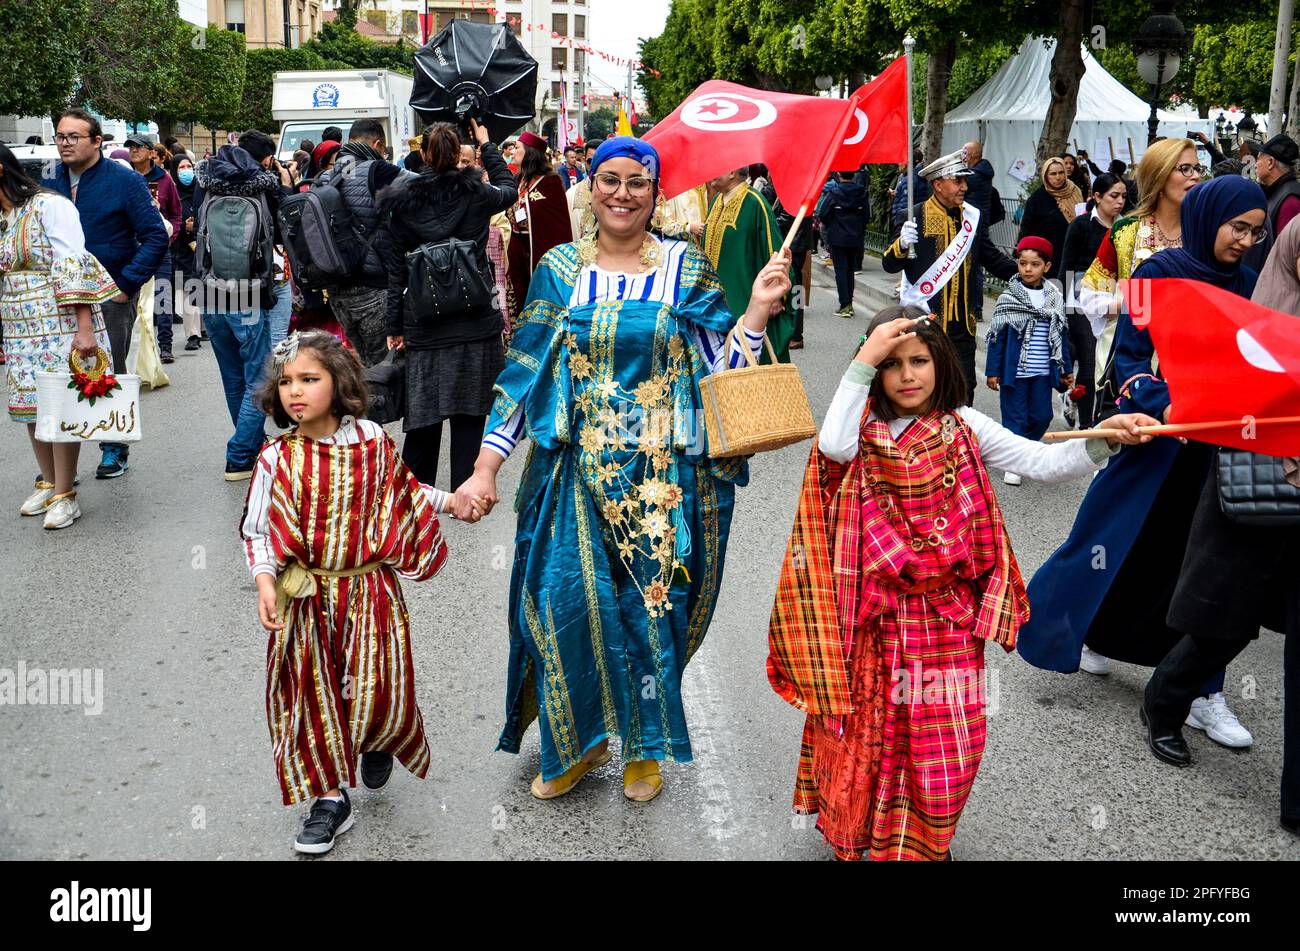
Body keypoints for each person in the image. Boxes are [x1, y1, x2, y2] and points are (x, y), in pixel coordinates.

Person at [454, 136, 792, 803]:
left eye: (638, 182)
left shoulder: (684, 267)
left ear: (656, 191)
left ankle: (643, 746)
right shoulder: (559, 269)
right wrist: (486, 467)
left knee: (647, 615)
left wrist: (753, 312)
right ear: (593, 185)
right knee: (565, 607)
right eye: (610, 179)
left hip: (660, 480)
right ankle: (576, 743)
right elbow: (525, 377)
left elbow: (719, 373)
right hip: (571, 471)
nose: (622, 194)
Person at [767, 307, 1154, 861]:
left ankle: (925, 842)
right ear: (872, 371)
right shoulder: (858, 430)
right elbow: (831, 447)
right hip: (873, 622)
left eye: (919, 360)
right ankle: (867, 839)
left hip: (947, 620)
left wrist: (1108, 441)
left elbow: (1040, 461)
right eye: (890, 364)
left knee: (946, 745)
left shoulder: (965, 424)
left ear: (940, 362)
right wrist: (863, 358)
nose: (907, 375)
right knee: (869, 738)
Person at [1018, 176, 1267, 748]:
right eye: (1239, 228)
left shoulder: (1251, 284)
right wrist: (1164, 404)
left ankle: (1203, 691)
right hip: (1155, 438)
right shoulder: (1157, 274)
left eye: (1256, 231)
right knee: (1119, 544)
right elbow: (1128, 358)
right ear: (1210, 219)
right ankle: (1087, 634)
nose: (1247, 241)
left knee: (1206, 568)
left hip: (1221, 448)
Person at [241, 330, 455, 854]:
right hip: (306, 601)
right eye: (286, 381)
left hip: (370, 596)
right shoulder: (274, 460)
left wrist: (453, 501)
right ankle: (330, 799)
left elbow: (405, 491)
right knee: (312, 695)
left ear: (340, 384)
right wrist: (265, 582)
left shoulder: (372, 443)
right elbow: (258, 530)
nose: (295, 391)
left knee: (376, 684)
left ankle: (376, 735)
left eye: (309, 379)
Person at [1142, 215, 1300, 836]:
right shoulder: (1265, 299)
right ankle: (1168, 697)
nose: (1247, 238)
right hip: (1263, 471)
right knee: (1225, 619)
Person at [379, 119, 516, 492]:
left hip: (423, 318)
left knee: (423, 409)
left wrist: (394, 326)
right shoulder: (476, 193)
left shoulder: (400, 202)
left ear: (422, 154)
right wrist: (488, 145)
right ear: (458, 154)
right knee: (472, 407)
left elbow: (397, 274)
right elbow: (508, 190)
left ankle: (415, 491)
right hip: (475, 312)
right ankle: (466, 487)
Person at [44, 109, 168, 480]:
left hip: (109, 293)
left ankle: (114, 446)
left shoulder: (123, 181)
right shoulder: (49, 177)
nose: (64, 143)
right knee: (57, 372)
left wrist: (126, 284)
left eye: (73, 137)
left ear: (97, 141)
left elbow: (155, 236)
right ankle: (61, 459)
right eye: (60, 136)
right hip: (58, 295)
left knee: (106, 369)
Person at [0, 144, 118, 529]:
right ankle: (49, 481)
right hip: (20, 327)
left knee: (60, 405)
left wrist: (85, 329)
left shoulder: (50, 206)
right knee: (31, 406)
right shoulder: (5, 217)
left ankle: (66, 495)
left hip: (61, 321)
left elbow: (73, 263)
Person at [192, 128, 293, 481]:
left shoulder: (205, 180)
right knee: (261, 374)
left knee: (233, 376)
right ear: (265, 158)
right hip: (250, 288)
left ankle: (250, 446)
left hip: (208, 287)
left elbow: (196, 229)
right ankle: (239, 454)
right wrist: (282, 182)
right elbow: (283, 232)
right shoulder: (264, 184)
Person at [883, 149, 1016, 404]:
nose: (964, 187)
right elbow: (889, 264)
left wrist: (1024, 274)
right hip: (926, 321)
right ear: (938, 184)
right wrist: (902, 244)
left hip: (962, 325)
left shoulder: (970, 216)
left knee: (965, 389)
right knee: (929, 388)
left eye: (965, 181)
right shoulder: (915, 215)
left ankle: (959, 441)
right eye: (958, 181)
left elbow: (988, 255)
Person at [1078, 138, 1202, 401]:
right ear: (1159, 174)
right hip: (1130, 367)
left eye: (1198, 169)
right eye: (1185, 169)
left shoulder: (1207, 233)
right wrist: (1126, 305)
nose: (1195, 177)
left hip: (1190, 367)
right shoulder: (1126, 232)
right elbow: (1089, 292)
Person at [324, 118, 412, 368]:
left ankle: (368, 407)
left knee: (365, 366)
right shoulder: (378, 170)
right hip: (372, 289)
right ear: (378, 144)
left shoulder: (328, 176)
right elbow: (425, 186)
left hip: (338, 291)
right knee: (386, 369)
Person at [985, 236, 1072, 485]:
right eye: (1023, 263)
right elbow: (996, 337)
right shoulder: (1009, 297)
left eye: (1034, 264)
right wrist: (993, 370)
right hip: (1015, 373)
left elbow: (1060, 336)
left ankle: (1024, 452)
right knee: (1015, 418)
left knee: (1042, 416)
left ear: (1046, 266)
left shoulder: (1053, 298)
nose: (1028, 269)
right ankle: (1014, 463)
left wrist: (1065, 368)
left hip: (1043, 372)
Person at [700, 166, 797, 362]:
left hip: (746, 304)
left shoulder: (755, 203)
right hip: (714, 305)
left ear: (731, 172)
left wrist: (777, 296)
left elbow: (776, 252)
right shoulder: (716, 201)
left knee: (749, 368)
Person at [1060, 173, 1127, 427]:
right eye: (1113, 196)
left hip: (1116, 301)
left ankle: (1100, 413)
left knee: (1109, 363)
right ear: (1097, 197)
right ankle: (1088, 427)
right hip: (1081, 301)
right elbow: (1066, 265)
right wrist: (1065, 309)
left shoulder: (1128, 226)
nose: (1119, 201)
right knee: (1088, 367)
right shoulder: (1081, 225)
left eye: (1123, 196)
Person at [125, 133, 182, 363]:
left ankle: (165, 346)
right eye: (130, 147)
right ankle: (132, 351)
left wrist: (169, 237)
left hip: (159, 248)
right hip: (131, 248)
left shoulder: (165, 180)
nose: (133, 151)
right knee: (132, 299)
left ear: (151, 152)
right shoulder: (124, 177)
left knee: (162, 297)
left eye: (138, 147)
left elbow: (176, 214)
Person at [505, 131, 571, 326]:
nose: (513, 152)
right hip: (517, 251)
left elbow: (557, 224)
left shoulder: (551, 182)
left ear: (530, 153)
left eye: (517, 148)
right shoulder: (518, 180)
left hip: (539, 252)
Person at [1242, 133, 1300, 271]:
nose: (1255, 165)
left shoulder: (1290, 201)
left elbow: (1286, 256)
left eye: (1258, 159)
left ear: (1270, 163)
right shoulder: (1278, 192)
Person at [815, 170, 869, 318]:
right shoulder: (861, 193)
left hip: (837, 237)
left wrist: (833, 225)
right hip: (855, 237)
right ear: (853, 175)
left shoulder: (833, 193)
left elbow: (823, 214)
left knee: (840, 270)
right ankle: (849, 303)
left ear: (839, 175)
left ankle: (844, 304)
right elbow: (867, 216)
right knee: (850, 270)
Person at [1017, 157, 1079, 282]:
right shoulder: (1037, 199)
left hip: (1072, 254)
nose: (1058, 177)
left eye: (1061, 173)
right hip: (1047, 257)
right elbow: (1026, 228)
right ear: (1046, 176)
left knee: (1068, 294)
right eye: (1053, 173)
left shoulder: (1075, 192)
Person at [167, 153, 203, 352]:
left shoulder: (200, 191)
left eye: (189, 166)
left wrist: (196, 228)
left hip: (202, 247)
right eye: (181, 167)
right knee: (187, 291)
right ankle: (193, 334)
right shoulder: (173, 194)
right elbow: (170, 220)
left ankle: (203, 329)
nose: (186, 171)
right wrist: (183, 229)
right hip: (181, 250)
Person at [962, 140, 997, 323]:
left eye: (965, 152)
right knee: (972, 267)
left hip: (975, 227)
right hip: (974, 225)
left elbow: (960, 185)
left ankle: (975, 308)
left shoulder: (976, 175)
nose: (962, 156)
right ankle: (972, 307)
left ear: (974, 155)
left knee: (974, 268)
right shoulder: (979, 171)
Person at [775, 194, 814, 349]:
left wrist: (768, 224)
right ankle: (796, 332)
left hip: (794, 246)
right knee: (797, 288)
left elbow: (786, 219)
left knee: (796, 289)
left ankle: (797, 334)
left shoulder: (797, 191)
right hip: (798, 245)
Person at [889, 150, 929, 236]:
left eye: (901, 160)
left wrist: (898, 222)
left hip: (904, 225)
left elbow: (905, 205)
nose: (898, 163)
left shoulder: (909, 179)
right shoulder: (914, 176)